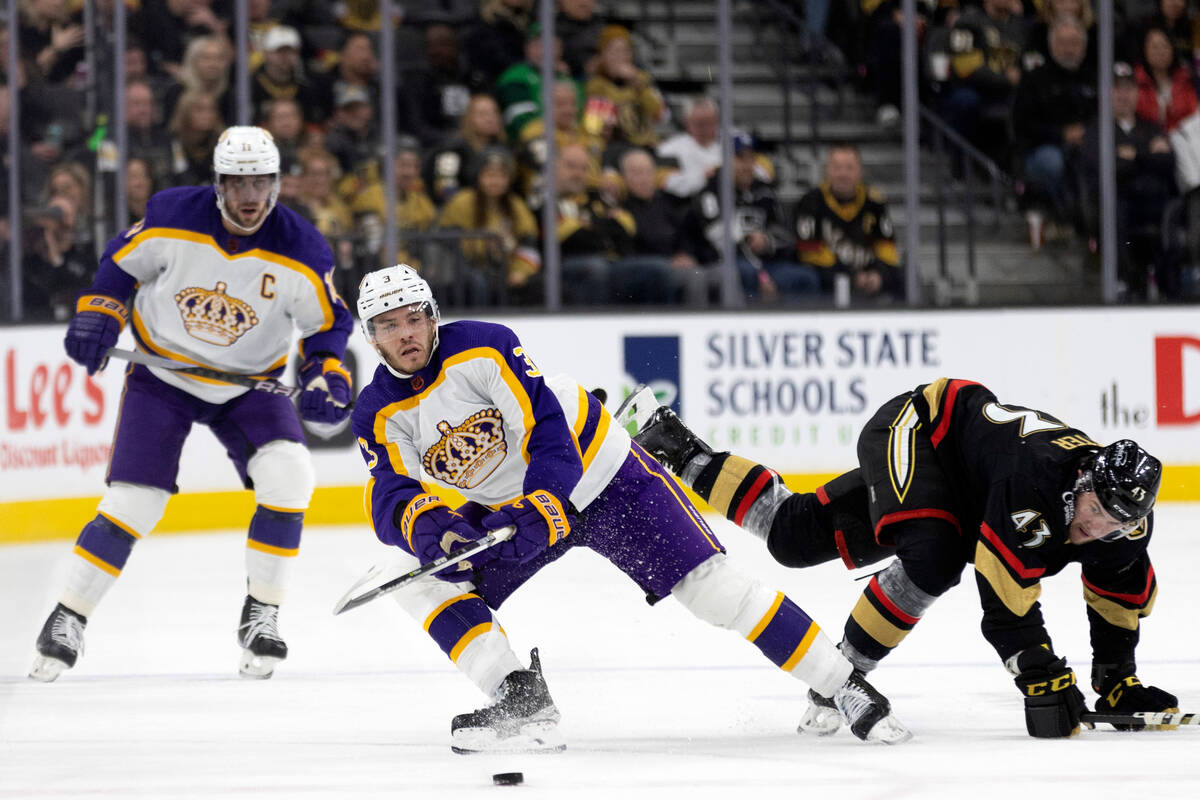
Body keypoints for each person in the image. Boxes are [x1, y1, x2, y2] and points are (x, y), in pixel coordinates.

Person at [347, 264, 911, 753]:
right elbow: (391, 493)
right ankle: (519, 698)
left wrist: (541, 504)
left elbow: (545, 431)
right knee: (413, 574)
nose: (406, 333)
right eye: (389, 325)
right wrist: (436, 533)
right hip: (523, 510)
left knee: (713, 590)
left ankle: (845, 685)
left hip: (602, 475)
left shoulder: (482, 346)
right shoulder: (376, 409)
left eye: (414, 317)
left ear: (432, 314)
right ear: (372, 338)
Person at [620, 378, 1180, 740]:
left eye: (1118, 522)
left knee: (792, 538)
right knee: (935, 558)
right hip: (920, 429)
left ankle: (673, 445)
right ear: (1080, 481)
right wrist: (1040, 677)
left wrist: (1117, 680)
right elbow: (1005, 595)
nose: (1099, 526)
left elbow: (1117, 591)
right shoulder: (1033, 484)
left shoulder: (1124, 523)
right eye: (1095, 508)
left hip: (969, 483)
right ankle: (842, 678)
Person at [29, 126, 355, 683]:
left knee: (291, 477)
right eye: (237, 183)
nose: (249, 196)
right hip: (163, 376)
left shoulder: (302, 248)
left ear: (276, 185)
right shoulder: (172, 214)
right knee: (135, 502)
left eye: (260, 182)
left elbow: (327, 325)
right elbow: (119, 264)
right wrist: (101, 309)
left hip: (250, 385)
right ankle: (67, 617)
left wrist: (326, 372)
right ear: (218, 183)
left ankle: (263, 615)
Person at [792, 143, 903, 301]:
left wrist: (879, 274)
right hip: (828, 277)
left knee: (904, 275)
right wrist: (850, 276)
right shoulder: (811, 202)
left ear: (860, 171)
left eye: (849, 168)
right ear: (827, 171)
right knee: (810, 277)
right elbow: (809, 255)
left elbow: (887, 249)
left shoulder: (874, 201)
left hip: (868, 273)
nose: (842, 174)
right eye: (836, 168)